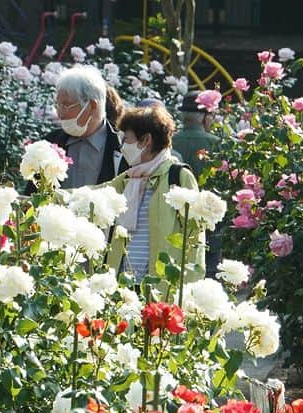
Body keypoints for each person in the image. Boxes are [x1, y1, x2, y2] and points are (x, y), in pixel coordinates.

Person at [105, 104, 205, 284]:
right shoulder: (129, 178)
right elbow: (96, 194)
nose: (122, 147)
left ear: (146, 140)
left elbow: (195, 237)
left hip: (161, 286)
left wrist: (189, 287)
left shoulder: (179, 177)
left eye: (126, 139)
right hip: (124, 285)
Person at [47, 67, 126, 188]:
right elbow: (32, 196)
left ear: (92, 106)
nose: (60, 113)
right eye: (58, 105)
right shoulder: (51, 144)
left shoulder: (122, 148)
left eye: (66, 105)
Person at [171, 91, 221, 275]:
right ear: (203, 117)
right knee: (210, 266)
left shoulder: (170, 142)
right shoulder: (217, 143)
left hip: (177, 214)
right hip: (210, 214)